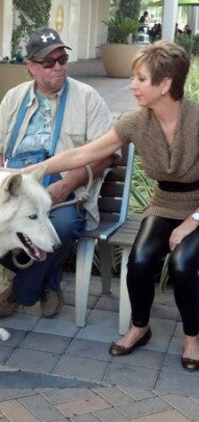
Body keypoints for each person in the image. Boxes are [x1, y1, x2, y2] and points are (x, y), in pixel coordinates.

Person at [20, 40, 199, 372]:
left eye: (141, 79)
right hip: (163, 204)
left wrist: (191, 223)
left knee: (184, 264)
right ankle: (140, 327)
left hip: (198, 208)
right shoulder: (135, 123)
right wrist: (30, 171)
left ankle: (192, 337)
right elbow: (84, 154)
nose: (132, 86)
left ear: (165, 84)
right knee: (142, 259)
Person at [0, 27, 113, 319]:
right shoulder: (13, 98)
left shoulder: (87, 98)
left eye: (62, 60)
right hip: (16, 181)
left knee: (63, 227)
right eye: (48, 62)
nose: (58, 67)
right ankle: (47, 283)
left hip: (64, 182)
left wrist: (66, 185)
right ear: (31, 67)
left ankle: (20, 292)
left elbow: (105, 155)